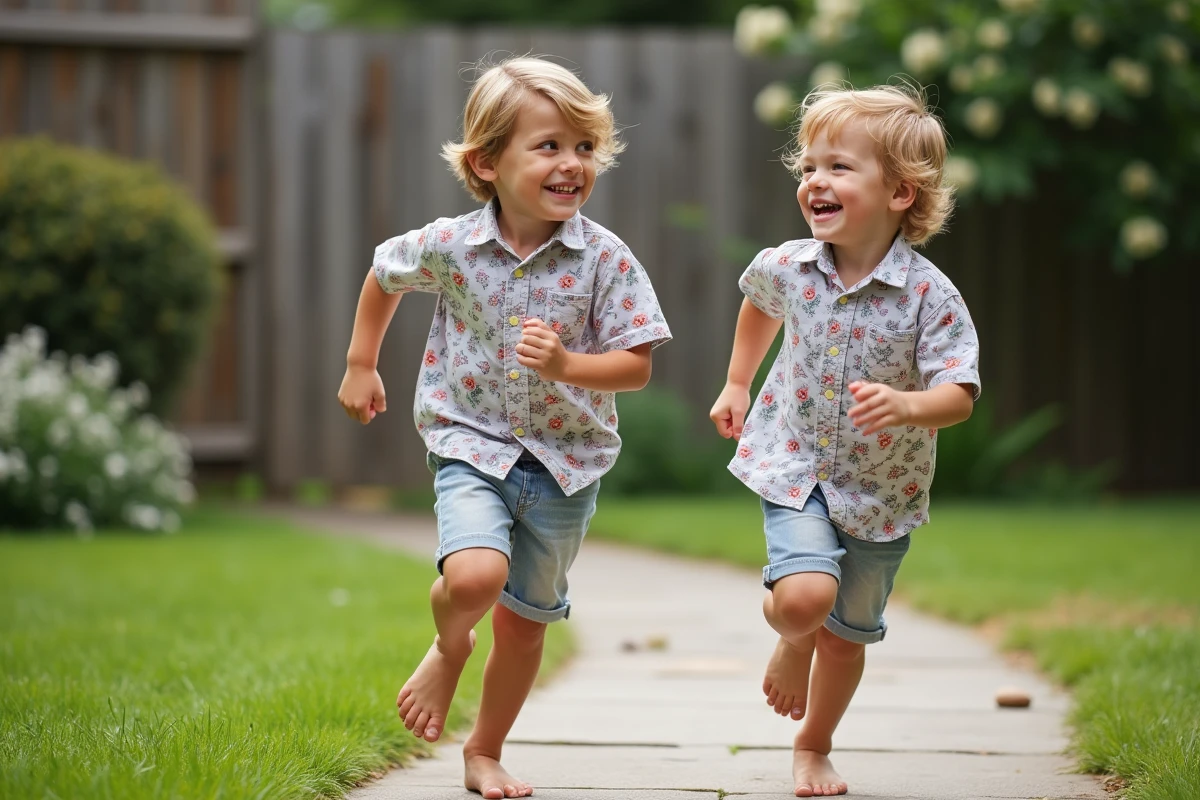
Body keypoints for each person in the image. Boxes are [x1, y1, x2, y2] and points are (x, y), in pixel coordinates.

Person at [337, 56, 670, 800]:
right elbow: (384, 273)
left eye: (583, 148)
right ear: (487, 163)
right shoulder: (452, 245)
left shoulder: (604, 258)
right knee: (475, 577)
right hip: (471, 443)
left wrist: (567, 366)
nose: (571, 164)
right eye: (548, 146)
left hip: (565, 466)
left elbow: (637, 364)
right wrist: (362, 362)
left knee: (525, 623)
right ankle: (450, 644)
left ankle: (483, 751)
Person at [709, 84, 981, 798]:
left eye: (838, 167)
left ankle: (814, 745)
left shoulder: (929, 297)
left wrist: (909, 405)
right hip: (795, 463)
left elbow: (959, 393)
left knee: (848, 634)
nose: (815, 182)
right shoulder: (789, 266)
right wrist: (738, 383)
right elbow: (758, 306)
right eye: (808, 167)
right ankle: (791, 631)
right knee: (804, 602)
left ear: (900, 192)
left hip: (882, 490)